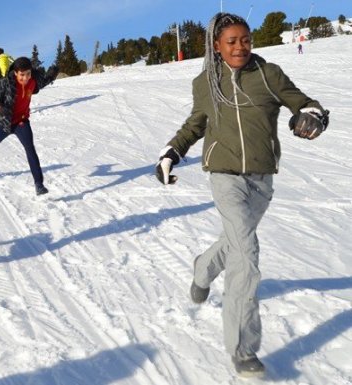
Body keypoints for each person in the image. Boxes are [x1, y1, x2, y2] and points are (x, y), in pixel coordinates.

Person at [155, 13, 329, 378]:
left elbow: (304, 102)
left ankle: (202, 269)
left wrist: (312, 116)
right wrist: (172, 152)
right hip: (223, 175)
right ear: (216, 46)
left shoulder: (269, 74)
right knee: (246, 254)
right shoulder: (206, 82)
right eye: (232, 41)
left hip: (262, 179)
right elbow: (196, 124)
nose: (240, 47)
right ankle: (243, 349)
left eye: (245, 39)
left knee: (236, 241)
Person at [0, 57, 58, 195]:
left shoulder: (33, 81)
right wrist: (0, 107)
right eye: (22, 75)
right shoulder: (4, 84)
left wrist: (50, 76)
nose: (25, 78)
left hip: (22, 121)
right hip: (5, 121)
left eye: (28, 74)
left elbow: (41, 83)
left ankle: (39, 184)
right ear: (15, 73)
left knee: (30, 148)